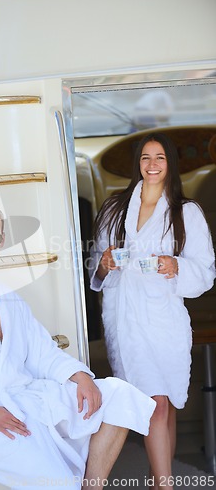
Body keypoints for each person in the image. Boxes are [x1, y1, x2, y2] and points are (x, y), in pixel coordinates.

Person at [0, 202, 155, 490]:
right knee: (60, 483)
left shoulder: (7, 296)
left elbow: (41, 352)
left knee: (118, 395)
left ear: (2, 241)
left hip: (28, 401)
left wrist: (81, 376)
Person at [89, 132, 216, 490]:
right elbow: (96, 270)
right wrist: (105, 263)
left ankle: (160, 476)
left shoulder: (186, 212)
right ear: (137, 164)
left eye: (159, 158)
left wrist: (175, 267)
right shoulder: (114, 209)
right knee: (154, 405)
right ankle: (164, 485)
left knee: (168, 403)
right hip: (127, 320)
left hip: (166, 321)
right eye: (146, 158)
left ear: (170, 164)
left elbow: (205, 270)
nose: (152, 165)